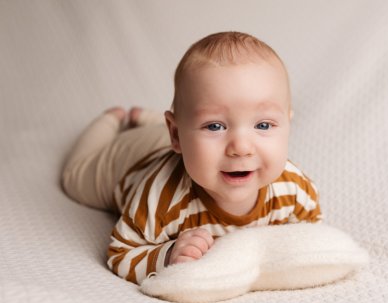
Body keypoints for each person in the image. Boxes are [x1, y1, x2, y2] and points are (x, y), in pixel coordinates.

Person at [61, 31, 322, 285]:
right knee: (74, 178)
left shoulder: (294, 190)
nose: (241, 148)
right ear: (175, 134)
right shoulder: (160, 198)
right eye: (215, 126)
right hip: (129, 158)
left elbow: (312, 235)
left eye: (263, 125)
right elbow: (121, 253)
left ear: (288, 125)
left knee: (192, 128)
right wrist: (167, 256)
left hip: (183, 144)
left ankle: (150, 118)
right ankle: (112, 119)